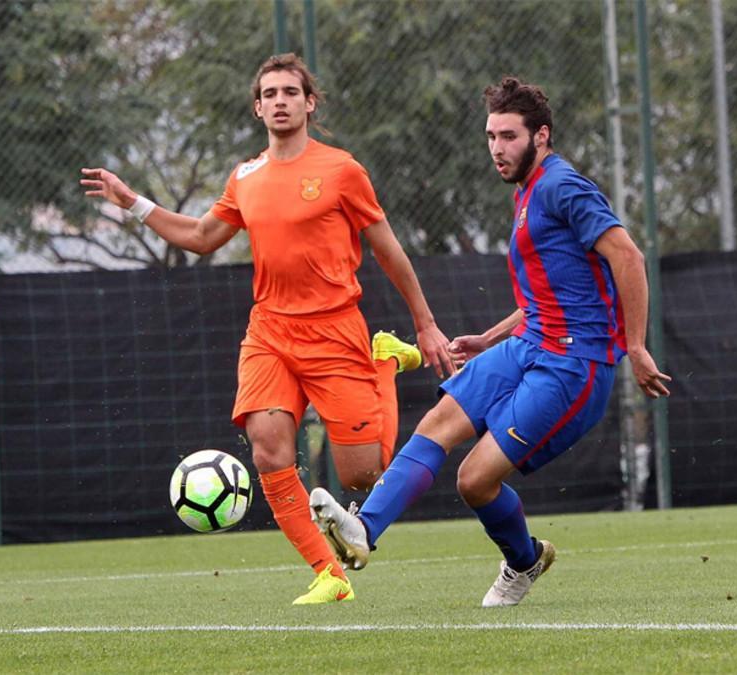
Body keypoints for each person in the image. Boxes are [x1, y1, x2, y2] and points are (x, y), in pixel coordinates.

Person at [81, 53, 456, 605]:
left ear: (309, 103)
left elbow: (390, 250)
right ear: (258, 108)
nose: (280, 101)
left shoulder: (341, 170)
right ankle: (330, 574)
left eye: (289, 91)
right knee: (268, 451)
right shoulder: (246, 176)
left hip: (336, 333)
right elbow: (202, 235)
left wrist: (424, 324)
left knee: (362, 475)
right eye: (270, 94)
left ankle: (385, 361)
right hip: (269, 335)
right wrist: (132, 201)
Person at [310, 76, 672, 607]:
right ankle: (364, 530)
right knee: (436, 424)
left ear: (540, 136)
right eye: (491, 136)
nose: (497, 149)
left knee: (474, 481)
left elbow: (628, 257)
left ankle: (523, 561)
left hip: (574, 363)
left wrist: (635, 347)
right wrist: (490, 336)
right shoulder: (529, 190)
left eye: (509, 137)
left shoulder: (561, 186)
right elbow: (552, 292)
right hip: (527, 345)